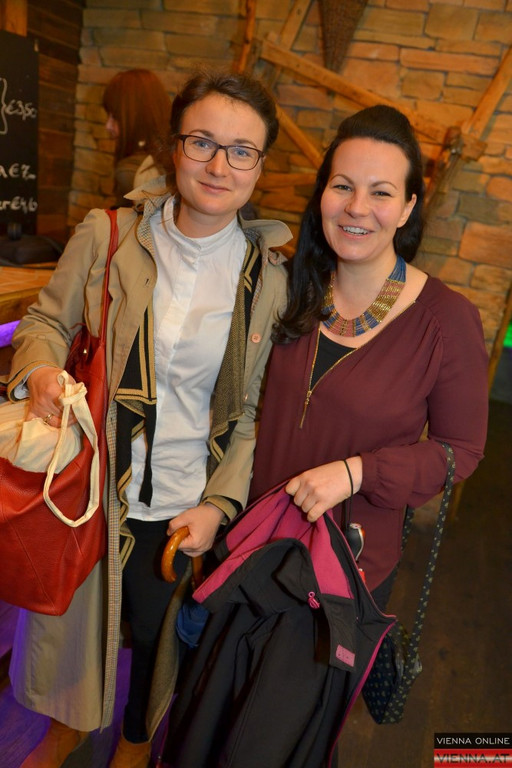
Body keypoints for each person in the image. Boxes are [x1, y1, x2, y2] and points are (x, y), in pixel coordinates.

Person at [163, 105, 489, 767]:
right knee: (204, 730)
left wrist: (360, 471)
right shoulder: (289, 287)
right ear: (322, 195)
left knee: (271, 746)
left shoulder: (445, 319)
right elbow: (245, 412)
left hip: (340, 576)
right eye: (342, 185)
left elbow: (461, 452)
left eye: (381, 192)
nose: (357, 207)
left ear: (408, 208)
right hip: (249, 553)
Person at [7, 69, 292, 768]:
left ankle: (136, 742)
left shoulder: (268, 279)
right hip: (90, 489)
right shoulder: (107, 235)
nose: (219, 165)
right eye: (203, 142)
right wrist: (39, 369)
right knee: (74, 631)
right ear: (174, 146)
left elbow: (251, 413)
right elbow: (45, 322)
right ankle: (69, 726)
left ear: (259, 166)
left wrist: (219, 505)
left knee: (160, 640)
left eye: (241, 151)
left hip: (181, 505)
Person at [103, 68, 171, 207]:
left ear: (138, 117)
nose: (108, 126)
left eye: (115, 117)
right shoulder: (169, 157)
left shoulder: (130, 172)